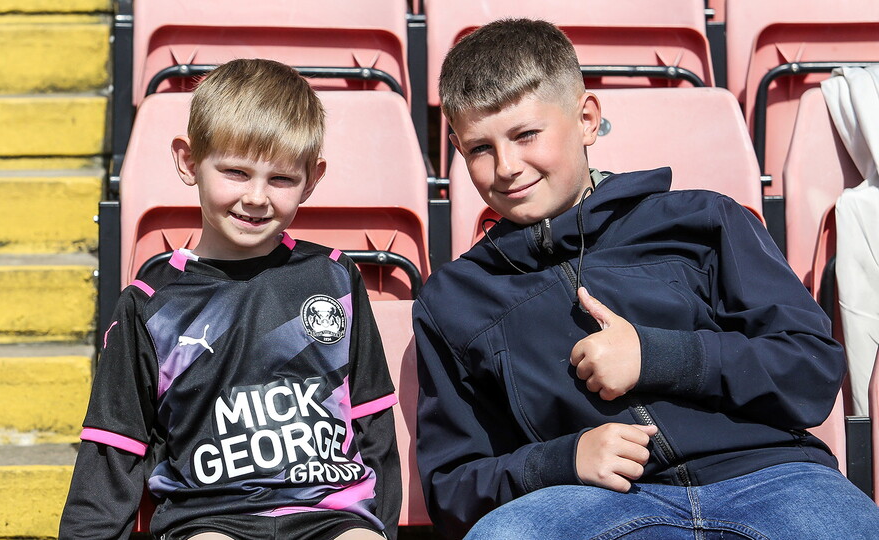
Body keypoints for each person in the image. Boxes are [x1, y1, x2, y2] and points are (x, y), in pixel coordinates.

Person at [413, 18, 879, 540]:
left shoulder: (704, 220)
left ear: (587, 119)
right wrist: (563, 460)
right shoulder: (453, 297)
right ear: (456, 148)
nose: (506, 167)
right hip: (586, 504)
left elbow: (810, 371)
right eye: (480, 148)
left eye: (526, 135)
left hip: (773, 479)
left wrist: (658, 357)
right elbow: (453, 486)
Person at [60, 58, 400, 540]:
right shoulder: (150, 302)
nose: (257, 197)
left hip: (331, 514)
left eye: (281, 179)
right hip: (208, 518)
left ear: (313, 178)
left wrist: (380, 530)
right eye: (236, 172)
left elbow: (373, 424)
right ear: (188, 160)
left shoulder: (336, 277)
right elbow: (112, 449)